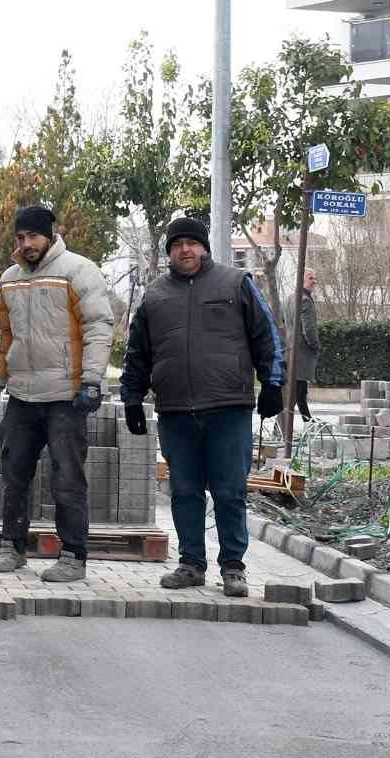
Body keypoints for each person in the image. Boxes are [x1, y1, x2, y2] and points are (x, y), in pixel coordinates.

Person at [120, 217, 285, 598]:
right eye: (177, 244)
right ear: (169, 253)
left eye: (192, 243)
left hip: (228, 408)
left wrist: (272, 384)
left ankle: (233, 568)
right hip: (176, 411)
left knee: (229, 491)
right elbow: (137, 353)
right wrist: (132, 396)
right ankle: (191, 564)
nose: (185, 250)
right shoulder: (155, 295)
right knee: (185, 491)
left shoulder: (235, 283)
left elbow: (268, 336)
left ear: (204, 247)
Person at [0, 206, 114, 583]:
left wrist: (92, 381)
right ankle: (12, 548)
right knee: (14, 475)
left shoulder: (78, 271)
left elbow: (99, 326)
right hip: (21, 396)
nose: (26, 244)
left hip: (66, 396)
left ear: (49, 235)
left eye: (32, 237)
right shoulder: (9, 279)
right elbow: (1, 337)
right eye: (20, 238)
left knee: (68, 478)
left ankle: (73, 556)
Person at [293, 267, 322, 422]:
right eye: (311, 278)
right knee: (300, 393)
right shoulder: (305, 300)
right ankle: (308, 424)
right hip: (302, 355)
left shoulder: (290, 299)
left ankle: (306, 421)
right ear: (301, 280)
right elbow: (309, 330)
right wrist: (316, 346)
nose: (314, 282)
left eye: (315, 278)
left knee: (296, 393)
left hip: (290, 354)